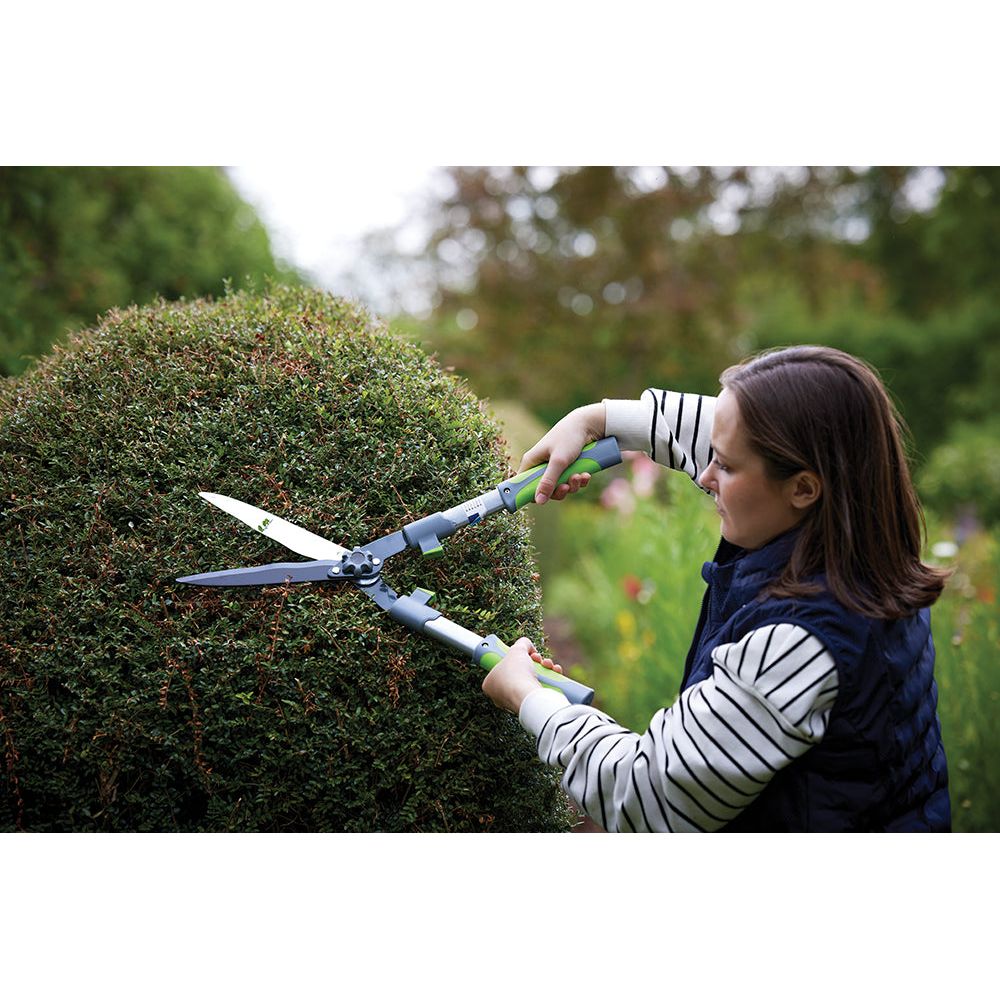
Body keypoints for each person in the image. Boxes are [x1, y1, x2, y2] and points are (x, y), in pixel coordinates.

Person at [482, 345, 951, 832]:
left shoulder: (799, 641)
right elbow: (735, 430)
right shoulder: (859, 533)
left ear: (804, 488)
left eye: (723, 466)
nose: (705, 476)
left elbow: (650, 796)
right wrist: (594, 419)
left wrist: (529, 699)